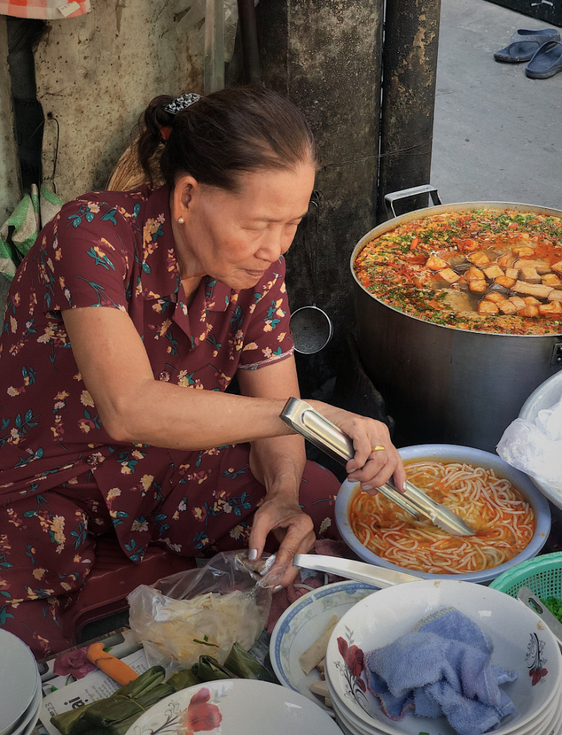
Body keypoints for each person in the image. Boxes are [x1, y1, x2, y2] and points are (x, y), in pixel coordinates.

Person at [0, 86, 405, 658]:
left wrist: (284, 491)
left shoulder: (257, 271)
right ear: (188, 194)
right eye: (260, 223)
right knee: (22, 658)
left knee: (314, 504)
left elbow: (277, 412)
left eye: (292, 224)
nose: (275, 247)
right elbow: (128, 408)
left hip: (167, 474)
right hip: (44, 476)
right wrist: (302, 415)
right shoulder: (89, 235)